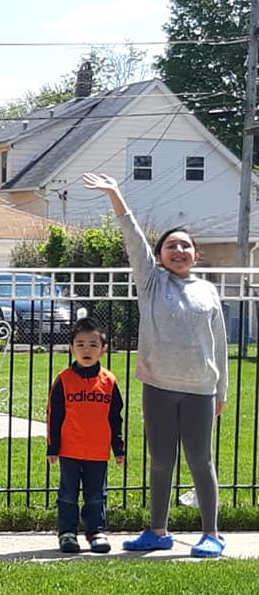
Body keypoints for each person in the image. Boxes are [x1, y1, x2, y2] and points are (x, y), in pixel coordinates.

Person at [83, 172, 228, 557]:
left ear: (196, 254)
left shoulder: (208, 291)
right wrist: (116, 195)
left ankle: (211, 533)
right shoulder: (150, 282)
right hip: (159, 387)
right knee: (162, 460)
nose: (178, 251)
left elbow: (220, 345)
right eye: (170, 247)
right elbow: (131, 236)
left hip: (200, 389)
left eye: (185, 246)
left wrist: (221, 391)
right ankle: (157, 530)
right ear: (160, 256)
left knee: (200, 459)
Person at [47, 316, 125, 554]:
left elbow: (115, 417)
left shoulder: (109, 381)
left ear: (103, 349)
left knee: (96, 495)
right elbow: (54, 415)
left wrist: (118, 448)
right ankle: (67, 533)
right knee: (68, 494)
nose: (86, 350)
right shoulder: (64, 380)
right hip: (70, 449)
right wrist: (53, 447)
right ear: (71, 348)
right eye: (80, 344)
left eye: (93, 344)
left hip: (98, 450)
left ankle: (96, 531)